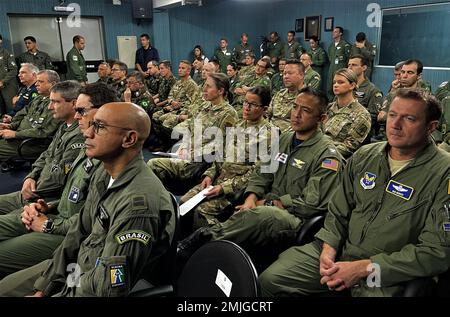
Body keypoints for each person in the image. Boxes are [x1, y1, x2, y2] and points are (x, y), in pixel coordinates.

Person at [259, 88, 450, 297]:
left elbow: (437, 252)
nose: (395, 125)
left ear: (431, 127)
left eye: (409, 118)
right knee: (270, 281)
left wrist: (363, 268)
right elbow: (338, 211)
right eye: (393, 115)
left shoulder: (443, 173)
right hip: (340, 253)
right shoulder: (365, 156)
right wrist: (329, 248)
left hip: (384, 272)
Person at [26, 102, 175, 297]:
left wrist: (59, 293)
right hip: (79, 268)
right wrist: (45, 286)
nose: (87, 133)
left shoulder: (137, 205)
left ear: (129, 139)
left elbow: (108, 288)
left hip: (87, 283)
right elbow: (78, 233)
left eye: (99, 127)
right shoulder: (104, 174)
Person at [177, 87, 344, 262]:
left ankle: (199, 243)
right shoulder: (285, 139)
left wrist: (268, 202)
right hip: (262, 206)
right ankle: (206, 254)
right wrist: (251, 198)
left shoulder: (328, 156)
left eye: (306, 110)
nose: (296, 114)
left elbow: (311, 204)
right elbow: (262, 172)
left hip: (293, 217)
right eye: (295, 107)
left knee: (262, 215)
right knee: (245, 214)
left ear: (322, 118)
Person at [0, 82, 116, 280]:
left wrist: (47, 224)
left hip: (67, 233)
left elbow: (91, 223)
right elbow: (72, 194)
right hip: (53, 212)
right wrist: (47, 206)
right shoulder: (89, 148)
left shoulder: (108, 164)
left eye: (81, 111)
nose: (78, 116)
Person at [180, 86, 274, 230]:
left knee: (201, 212)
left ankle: (206, 246)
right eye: (245, 102)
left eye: (253, 105)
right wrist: (209, 175)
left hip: (235, 189)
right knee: (184, 202)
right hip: (218, 180)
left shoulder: (268, 134)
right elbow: (220, 154)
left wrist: (224, 188)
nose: (246, 108)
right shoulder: (238, 125)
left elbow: (257, 173)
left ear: (264, 109)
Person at [0, 79, 84, 215]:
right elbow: (46, 155)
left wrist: (34, 191)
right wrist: (30, 177)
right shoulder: (64, 126)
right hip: (35, 190)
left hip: (43, 199)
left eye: (55, 102)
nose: (50, 107)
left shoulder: (79, 135)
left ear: (74, 104)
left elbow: (61, 179)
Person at [0, 70, 62, 161]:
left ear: (53, 84)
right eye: (36, 81)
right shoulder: (39, 98)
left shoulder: (56, 105)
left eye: (40, 81)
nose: (36, 84)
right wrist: (11, 126)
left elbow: (43, 132)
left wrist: (15, 134)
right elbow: (23, 115)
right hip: (19, 137)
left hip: (32, 144)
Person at [323, 68, 371, 158]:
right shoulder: (328, 108)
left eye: (340, 82)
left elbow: (348, 147)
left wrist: (322, 154)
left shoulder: (361, 114)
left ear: (352, 85)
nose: (335, 85)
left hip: (335, 158)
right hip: (318, 151)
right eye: (334, 82)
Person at [347, 55, 383, 140]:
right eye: (349, 65)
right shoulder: (345, 86)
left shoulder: (372, 90)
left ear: (364, 68)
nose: (350, 68)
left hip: (360, 134)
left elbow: (373, 117)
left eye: (354, 65)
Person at [268, 60, 305, 133]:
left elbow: (305, 125)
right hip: (269, 134)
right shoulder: (279, 94)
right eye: (284, 73)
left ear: (301, 75)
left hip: (289, 137)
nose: (286, 76)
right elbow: (267, 115)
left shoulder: (308, 97)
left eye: (290, 73)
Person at [327, 27, 351, 100]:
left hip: (340, 69)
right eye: (333, 32)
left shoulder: (345, 45)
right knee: (329, 87)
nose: (333, 33)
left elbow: (348, 58)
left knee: (339, 87)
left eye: (336, 32)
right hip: (331, 69)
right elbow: (330, 58)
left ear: (340, 33)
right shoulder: (331, 46)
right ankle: (330, 103)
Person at [0, 34, 18, 115]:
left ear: (0, 41)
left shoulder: (6, 53)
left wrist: (3, 81)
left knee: (11, 107)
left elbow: (13, 70)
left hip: (8, 85)